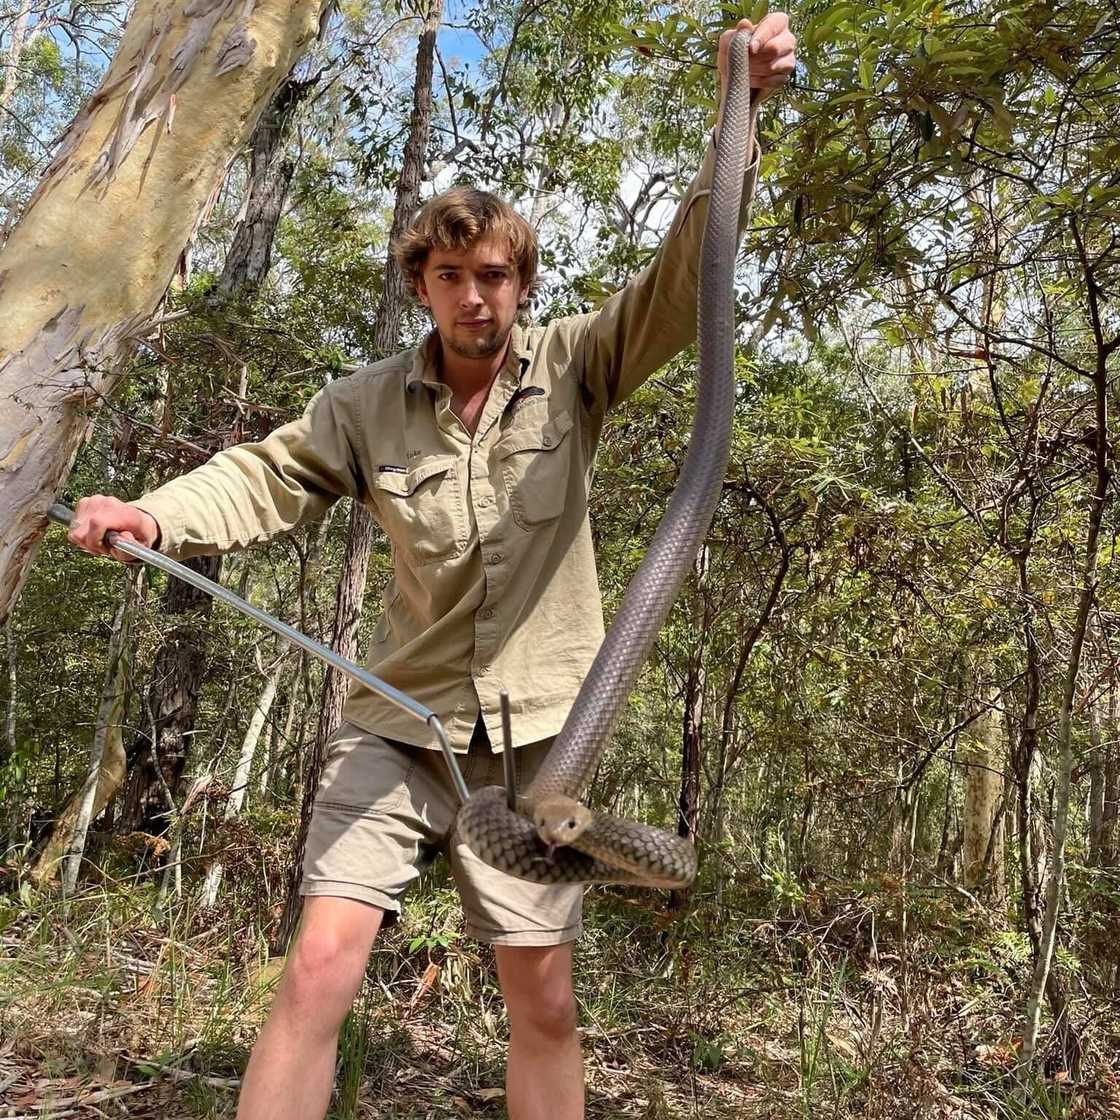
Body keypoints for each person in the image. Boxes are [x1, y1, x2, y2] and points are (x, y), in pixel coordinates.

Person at [68, 16, 796, 1120]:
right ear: (422, 285)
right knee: (319, 967)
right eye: (450, 275)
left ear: (520, 284)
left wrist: (741, 112)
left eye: (493, 275)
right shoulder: (364, 404)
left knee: (541, 998)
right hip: (400, 724)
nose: (473, 296)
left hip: (541, 745)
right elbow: (266, 476)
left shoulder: (578, 364)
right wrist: (154, 515)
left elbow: (684, 277)